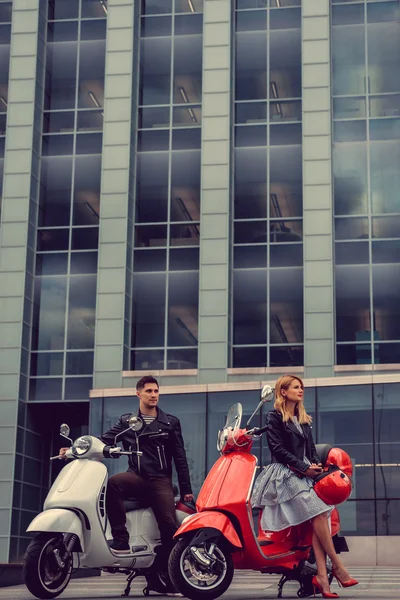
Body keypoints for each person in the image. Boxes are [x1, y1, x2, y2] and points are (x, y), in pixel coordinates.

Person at [60, 375, 193, 572]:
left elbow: (180, 457)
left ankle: (167, 571)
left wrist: (186, 490)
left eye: (156, 391)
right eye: (149, 391)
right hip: (136, 477)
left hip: (160, 480)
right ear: (138, 393)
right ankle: (121, 540)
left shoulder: (169, 423)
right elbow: (103, 440)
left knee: (168, 526)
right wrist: (73, 450)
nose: (153, 395)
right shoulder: (127, 422)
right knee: (112, 484)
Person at [251, 375, 358, 599]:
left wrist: (315, 466)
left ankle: (322, 576)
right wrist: (303, 467)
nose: (301, 390)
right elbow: (277, 449)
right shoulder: (275, 416)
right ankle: (337, 566)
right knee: (319, 513)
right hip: (285, 473)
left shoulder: (304, 418)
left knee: (320, 517)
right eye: (296, 387)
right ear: (283, 392)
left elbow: (309, 449)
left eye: (302, 387)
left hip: (305, 473)